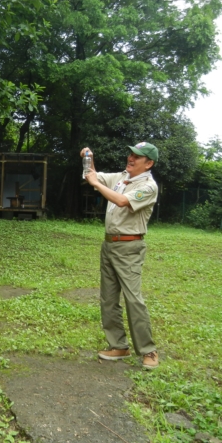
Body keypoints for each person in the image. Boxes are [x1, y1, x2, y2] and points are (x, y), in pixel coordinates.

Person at [81, 142, 159, 370]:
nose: (131, 158)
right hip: (109, 245)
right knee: (108, 298)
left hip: (129, 247)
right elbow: (93, 176)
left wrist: (95, 182)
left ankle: (148, 350)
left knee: (133, 298)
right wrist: (89, 159)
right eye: (131, 154)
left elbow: (122, 201)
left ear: (149, 163)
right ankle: (118, 346)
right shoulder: (122, 176)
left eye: (138, 156)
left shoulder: (148, 186)